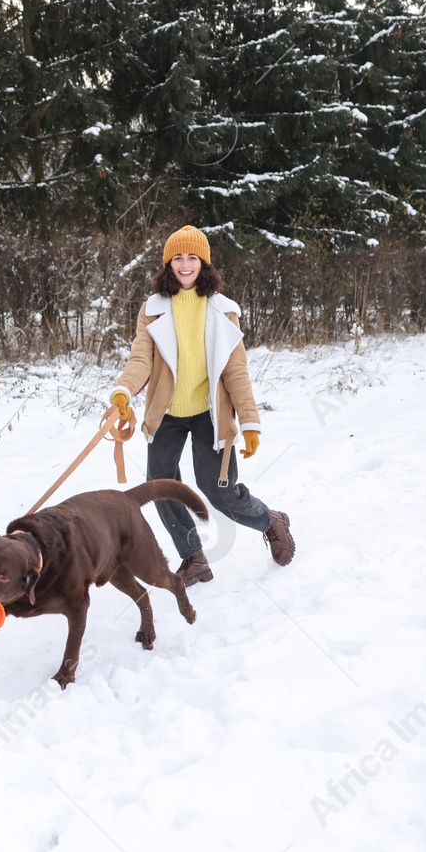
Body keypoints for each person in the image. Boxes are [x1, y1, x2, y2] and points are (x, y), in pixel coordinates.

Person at [109, 225, 295, 585]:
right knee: (160, 487)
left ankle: (270, 521)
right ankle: (194, 558)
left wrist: (251, 422)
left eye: (192, 257)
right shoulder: (153, 309)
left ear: (204, 264)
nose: (184, 264)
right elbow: (140, 359)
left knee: (220, 492)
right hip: (167, 416)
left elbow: (236, 371)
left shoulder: (223, 312)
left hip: (210, 415)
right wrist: (123, 391)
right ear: (168, 265)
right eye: (177, 257)